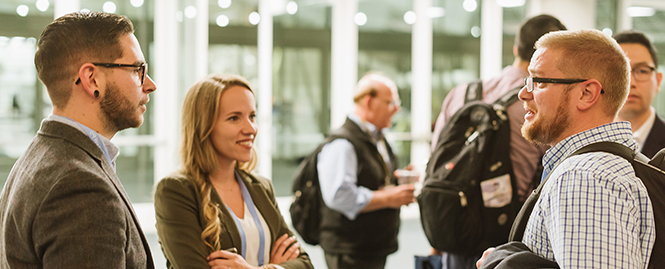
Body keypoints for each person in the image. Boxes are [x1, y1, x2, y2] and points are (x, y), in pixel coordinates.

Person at [477, 29, 656, 268]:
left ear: (586, 93)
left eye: (538, 81)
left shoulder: (584, 177)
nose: (523, 93)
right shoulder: (616, 164)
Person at [0, 11, 157, 268]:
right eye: (137, 70)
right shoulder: (81, 187)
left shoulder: (38, 154)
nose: (150, 84)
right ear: (91, 79)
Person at [430, 14, 566, 268]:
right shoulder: (540, 103)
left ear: (516, 48)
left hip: (455, 228)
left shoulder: (461, 93)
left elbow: (437, 158)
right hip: (508, 240)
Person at [154, 74, 313, 269]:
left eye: (252, 116)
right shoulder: (176, 190)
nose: (251, 128)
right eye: (234, 118)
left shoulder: (261, 187)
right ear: (203, 126)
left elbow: (304, 263)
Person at [316, 73, 416, 269]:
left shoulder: (379, 138)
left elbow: (373, 180)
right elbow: (339, 195)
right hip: (350, 250)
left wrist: (397, 182)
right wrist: (389, 198)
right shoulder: (343, 143)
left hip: (370, 247)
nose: (396, 108)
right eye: (390, 102)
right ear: (369, 102)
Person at [614, 30, 665, 158]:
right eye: (620, 72)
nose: (630, 82)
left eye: (642, 71)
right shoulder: (591, 142)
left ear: (658, 81)